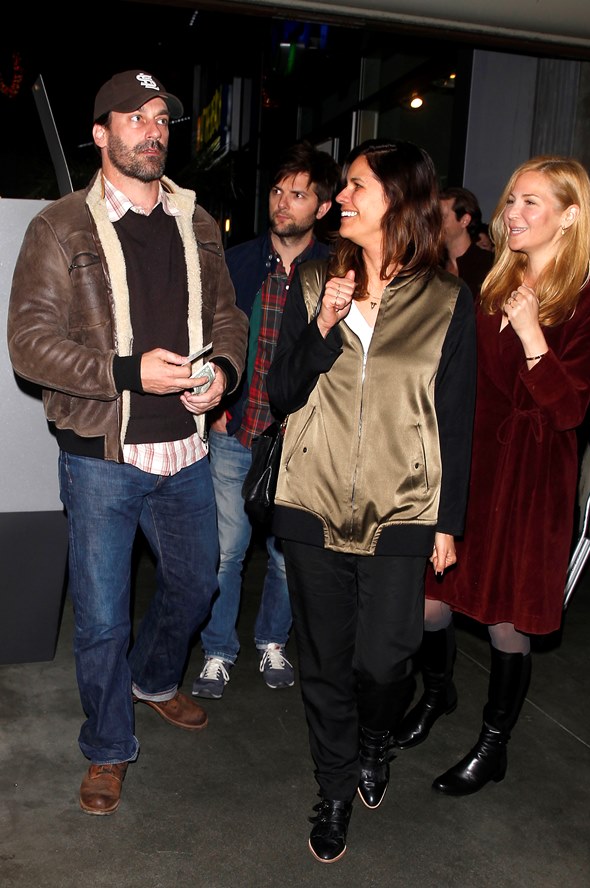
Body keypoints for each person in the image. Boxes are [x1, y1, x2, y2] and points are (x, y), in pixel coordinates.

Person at [7, 69, 248, 816]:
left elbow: (228, 316)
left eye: (161, 119)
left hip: (187, 450)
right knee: (103, 617)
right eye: (135, 118)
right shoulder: (60, 227)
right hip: (102, 458)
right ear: (101, 133)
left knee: (198, 585)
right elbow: (28, 346)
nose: (153, 130)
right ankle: (108, 745)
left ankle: (152, 678)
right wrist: (124, 372)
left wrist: (224, 372)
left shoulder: (198, 222)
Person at [266, 139, 476, 862]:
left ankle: (376, 736)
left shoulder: (447, 300)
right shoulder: (312, 279)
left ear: (399, 197)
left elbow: (455, 416)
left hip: (403, 506)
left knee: (387, 661)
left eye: (356, 186)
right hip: (310, 499)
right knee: (325, 662)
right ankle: (333, 786)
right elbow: (280, 391)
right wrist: (323, 326)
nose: (341, 199)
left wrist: (448, 520)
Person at [393, 155, 590, 796]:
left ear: (571, 216)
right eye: (511, 199)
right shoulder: (492, 279)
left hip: (533, 479)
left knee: (508, 620)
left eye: (531, 202)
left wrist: (533, 335)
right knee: (430, 597)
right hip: (473, 462)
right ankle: (437, 693)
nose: (513, 212)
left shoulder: (584, 299)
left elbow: (569, 411)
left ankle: (493, 743)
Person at [192, 141, 340, 699]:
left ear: (322, 207)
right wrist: (219, 409)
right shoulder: (237, 260)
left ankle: (272, 639)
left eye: (298, 194)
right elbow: (208, 337)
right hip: (236, 431)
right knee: (225, 551)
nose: (282, 202)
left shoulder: (337, 271)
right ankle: (217, 649)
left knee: (284, 557)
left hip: (300, 441)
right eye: (278, 191)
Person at [440, 186, 494, 299]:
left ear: (465, 220)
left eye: (443, 217)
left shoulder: (489, 265)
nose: (435, 223)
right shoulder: (433, 266)